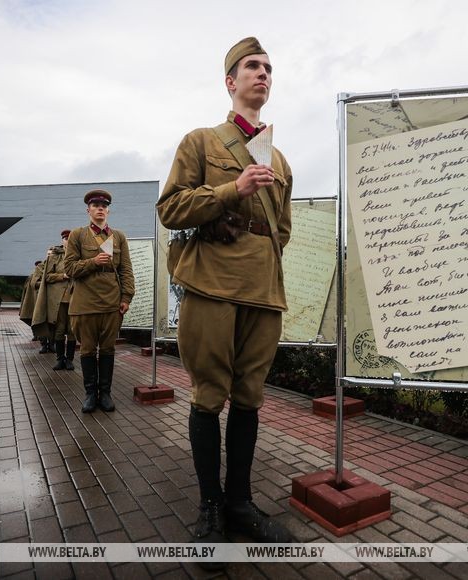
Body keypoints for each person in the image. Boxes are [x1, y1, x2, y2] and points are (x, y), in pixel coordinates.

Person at [156, 36, 294, 554]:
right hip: (212, 284)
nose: (263, 74)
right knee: (209, 395)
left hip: (262, 290)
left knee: (250, 396)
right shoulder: (202, 142)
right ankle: (210, 506)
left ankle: (240, 501)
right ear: (230, 81)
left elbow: (282, 229)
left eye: (268, 69)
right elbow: (170, 209)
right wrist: (230, 191)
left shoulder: (279, 157)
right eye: (252, 67)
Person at [64, 189, 135, 413]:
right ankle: (89, 394)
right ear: (88, 210)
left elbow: (126, 270)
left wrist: (126, 297)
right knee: (86, 350)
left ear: (108, 210)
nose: (100, 208)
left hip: (111, 303)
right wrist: (93, 261)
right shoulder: (77, 235)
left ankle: (105, 394)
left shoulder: (119, 237)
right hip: (84, 304)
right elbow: (69, 269)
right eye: (95, 205)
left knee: (107, 350)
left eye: (104, 205)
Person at [33, 230, 77, 371]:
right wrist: (62, 276)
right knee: (58, 330)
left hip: (75, 299)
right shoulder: (55, 256)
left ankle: (69, 360)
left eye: (69, 238)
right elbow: (47, 277)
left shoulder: (78, 255)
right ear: (62, 241)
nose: (67, 241)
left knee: (72, 331)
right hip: (58, 300)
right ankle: (59, 359)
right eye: (65, 238)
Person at [20, 260, 46, 348]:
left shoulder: (42, 274)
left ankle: (45, 341)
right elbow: (27, 289)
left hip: (41, 300)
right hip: (33, 301)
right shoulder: (31, 276)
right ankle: (37, 336)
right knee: (34, 319)